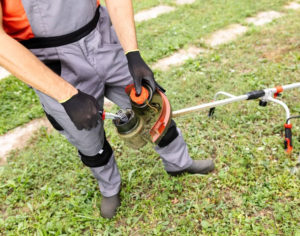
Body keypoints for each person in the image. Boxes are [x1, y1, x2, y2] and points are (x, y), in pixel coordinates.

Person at [0, 0, 215, 218]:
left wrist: (132, 54)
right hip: (51, 62)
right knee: (88, 138)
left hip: (102, 38)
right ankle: (110, 188)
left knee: (152, 106)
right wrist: (65, 94)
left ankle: (179, 162)